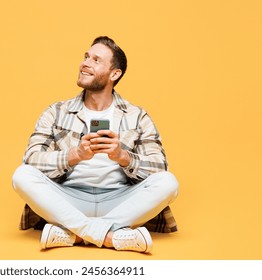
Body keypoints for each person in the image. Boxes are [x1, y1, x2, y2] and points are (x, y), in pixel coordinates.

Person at [12, 36, 178, 253]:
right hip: (69, 199)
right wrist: (75, 155)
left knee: (169, 182)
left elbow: (159, 166)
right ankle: (109, 236)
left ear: (114, 73)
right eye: (86, 57)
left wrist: (123, 157)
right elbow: (31, 160)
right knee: (21, 175)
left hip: (119, 201)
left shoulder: (137, 116)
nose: (85, 63)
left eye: (96, 60)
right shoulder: (56, 112)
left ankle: (76, 234)